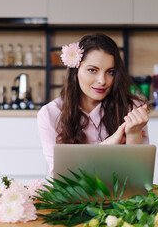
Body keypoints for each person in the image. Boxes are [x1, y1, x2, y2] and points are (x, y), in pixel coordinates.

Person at [37, 33, 149, 176]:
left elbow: (136, 177)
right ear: (75, 71)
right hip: (72, 198)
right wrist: (109, 145)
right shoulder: (50, 114)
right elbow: (64, 177)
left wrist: (133, 135)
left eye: (110, 72)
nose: (102, 80)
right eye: (92, 70)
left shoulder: (132, 109)